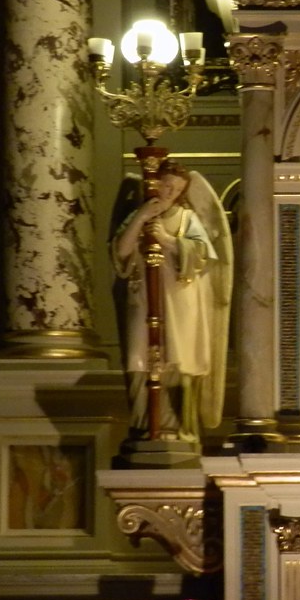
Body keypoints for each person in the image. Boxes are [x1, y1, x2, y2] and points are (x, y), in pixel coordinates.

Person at [111, 160, 231, 443]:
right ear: (153, 183)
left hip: (180, 300)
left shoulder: (187, 218)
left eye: (176, 189)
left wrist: (166, 239)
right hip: (143, 298)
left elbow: (203, 255)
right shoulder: (139, 216)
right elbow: (121, 252)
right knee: (140, 358)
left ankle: (176, 427)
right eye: (165, 184)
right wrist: (141, 218)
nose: (169, 192)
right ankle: (144, 424)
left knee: (178, 359)